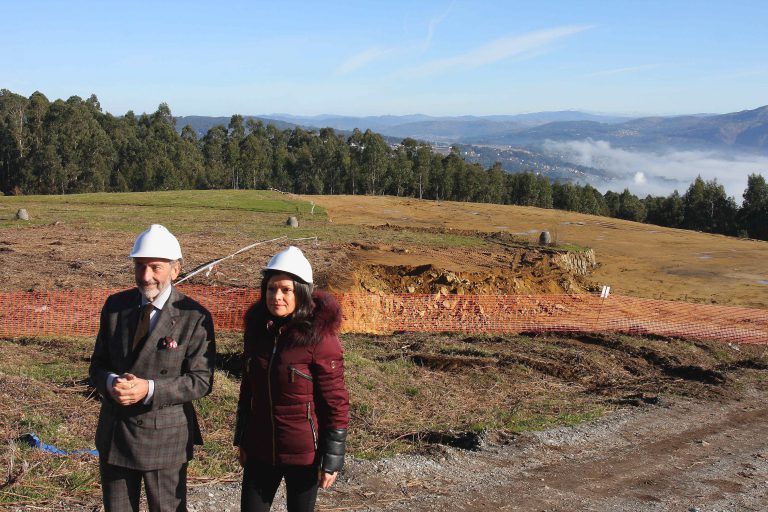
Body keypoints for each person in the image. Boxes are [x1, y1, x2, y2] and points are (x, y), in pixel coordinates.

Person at [89, 224, 216, 512]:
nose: (146, 276)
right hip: (116, 433)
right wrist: (110, 383)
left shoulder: (193, 317)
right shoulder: (115, 307)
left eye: (155, 267)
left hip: (165, 438)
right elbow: (97, 365)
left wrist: (149, 389)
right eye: (140, 266)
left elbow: (201, 380)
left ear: (175, 269)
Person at [235, 246, 349, 512]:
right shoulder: (257, 332)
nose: (277, 297)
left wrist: (331, 459)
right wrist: (242, 439)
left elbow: (336, 402)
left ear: (301, 292)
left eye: (286, 290)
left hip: (304, 455)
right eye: (271, 288)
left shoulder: (320, 339)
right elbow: (247, 391)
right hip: (260, 450)